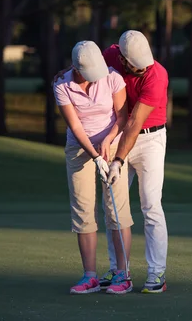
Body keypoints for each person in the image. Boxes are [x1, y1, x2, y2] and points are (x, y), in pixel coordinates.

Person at [53, 40, 134, 295]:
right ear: (76, 68)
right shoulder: (62, 85)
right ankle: (90, 276)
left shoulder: (112, 77)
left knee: (117, 209)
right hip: (79, 149)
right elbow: (75, 127)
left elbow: (122, 117)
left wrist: (108, 144)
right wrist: (94, 156)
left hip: (112, 143)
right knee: (83, 209)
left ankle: (123, 273)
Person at [103, 30, 169, 294]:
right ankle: (119, 269)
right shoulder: (110, 54)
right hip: (120, 134)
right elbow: (87, 64)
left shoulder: (156, 74)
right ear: (122, 58)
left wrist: (118, 159)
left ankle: (157, 274)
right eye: (136, 67)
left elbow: (134, 122)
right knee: (113, 207)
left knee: (150, 205)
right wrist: (66, 72)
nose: (141, 70)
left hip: (150, 140)